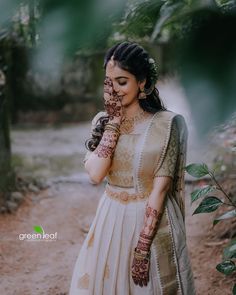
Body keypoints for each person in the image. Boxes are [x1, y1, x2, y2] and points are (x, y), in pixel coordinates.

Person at [69, 41, 196, 295]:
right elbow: (95, 174)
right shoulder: (102, 122)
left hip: (149, 219)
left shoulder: (167, 125)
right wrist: (114, 123)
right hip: (111, 217)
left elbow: (160, 189)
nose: (114, 90)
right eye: (109, 82)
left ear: (142, 82)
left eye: (122, 81)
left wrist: (143, 246)